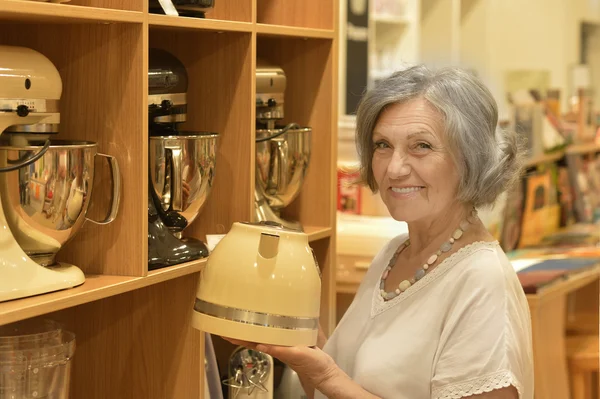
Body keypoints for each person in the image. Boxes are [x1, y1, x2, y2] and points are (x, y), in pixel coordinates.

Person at [227, 65, 534, 399]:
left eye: (421, 146)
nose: (394, 168)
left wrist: (327, 375)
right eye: (383, 145)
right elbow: (357, 381)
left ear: (470, 159)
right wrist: (298, 342)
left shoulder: (481, 279)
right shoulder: (394, 253)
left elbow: (337, 381)